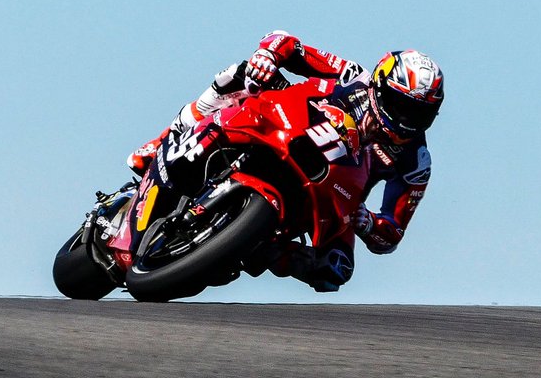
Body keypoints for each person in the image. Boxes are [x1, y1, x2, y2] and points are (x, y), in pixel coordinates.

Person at [125, 32, 444, 293]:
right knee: (239, 75)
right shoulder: (351, 76)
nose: (406, 119)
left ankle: (251, 248)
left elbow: (392, 234)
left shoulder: (415, 161)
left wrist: (368, 222)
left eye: (418, 113)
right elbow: (289, 43)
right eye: (401, 105)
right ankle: (166, 139)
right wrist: (269, 55)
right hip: (286, 131)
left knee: (336, 269)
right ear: (380, 85)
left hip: (334, 194)